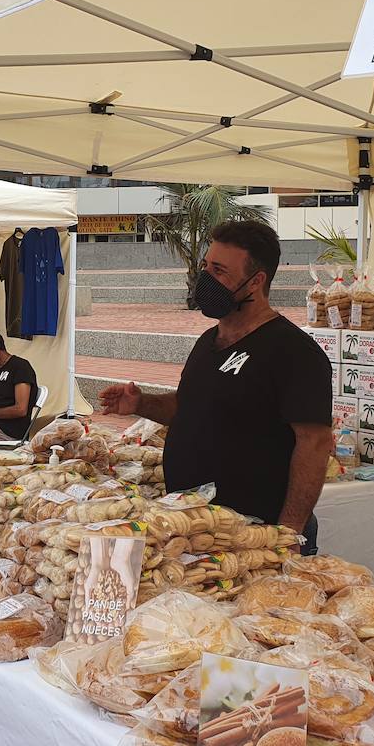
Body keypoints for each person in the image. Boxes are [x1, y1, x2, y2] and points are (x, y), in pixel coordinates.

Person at [100, 221, 334, 552]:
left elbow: (314, 443)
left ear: (256, 281)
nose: (206, 278)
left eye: (219, 271)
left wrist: (288, 533)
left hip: (256, 534)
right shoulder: (209, 341)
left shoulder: (294, 352)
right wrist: (141, 404)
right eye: (206, 266)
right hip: (197, 527)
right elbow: (191, 406)